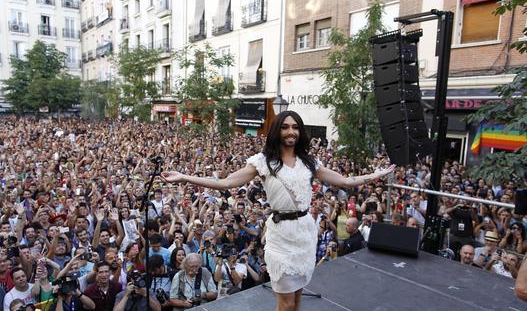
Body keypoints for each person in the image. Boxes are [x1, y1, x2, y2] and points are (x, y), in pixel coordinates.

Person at [161, 111, 394, 311]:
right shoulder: (263, 162)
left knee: (298, 297)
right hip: (280, 235)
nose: (290, 131)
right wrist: (183, 176)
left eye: (295, 127)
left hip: (304, 232)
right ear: (277, 131)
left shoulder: (310, 162)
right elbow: (226, 183)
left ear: (300, 131)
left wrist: (375, 175)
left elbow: (344, 181)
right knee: (286, 303)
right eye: (285, 127)